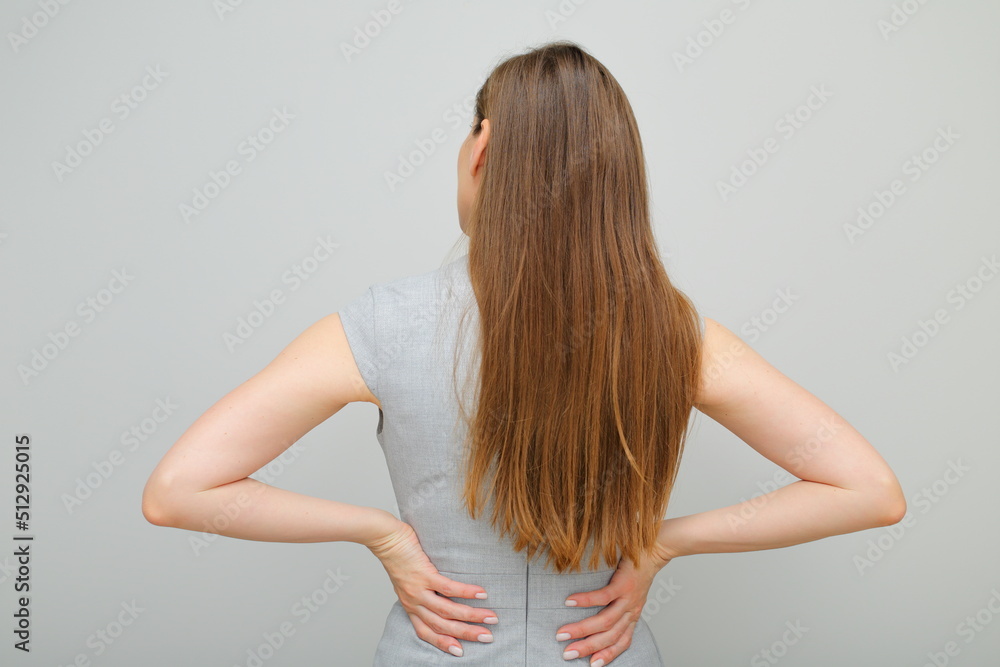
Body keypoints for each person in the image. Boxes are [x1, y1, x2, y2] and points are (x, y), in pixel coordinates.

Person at [142, 40, 907, 666]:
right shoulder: (675, 333)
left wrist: (379, 533)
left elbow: (177, 490)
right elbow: (870, 489)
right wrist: (662, 545)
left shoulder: (381, 324)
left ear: (483, 150)